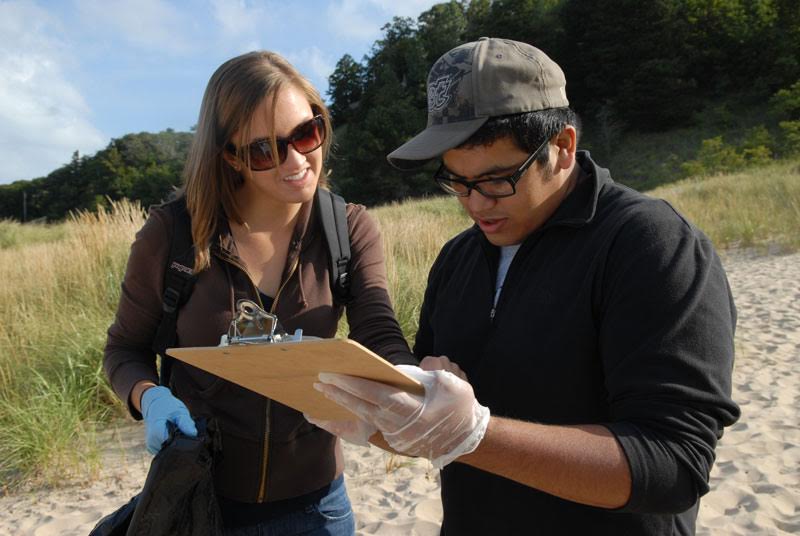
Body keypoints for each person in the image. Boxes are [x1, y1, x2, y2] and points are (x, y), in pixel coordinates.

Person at [311, 38, 741, 534]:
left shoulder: (652, 244)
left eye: (497, 180)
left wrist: (473, 435)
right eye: (456, 181)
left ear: (562, 147)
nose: (476, 204)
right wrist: (390, 417)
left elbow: (674, 465)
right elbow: (436, 422)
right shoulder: (457, 259)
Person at [103, 50, 417, 535]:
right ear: (230, 155)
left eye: (306, 133)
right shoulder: (173, 234)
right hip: (203, 503)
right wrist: (150, 398)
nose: (296, 162)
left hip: (319, 507)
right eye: (265, 151)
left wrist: (412, 380)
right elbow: (125, 349)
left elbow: (378, 329)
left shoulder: (347, 228)